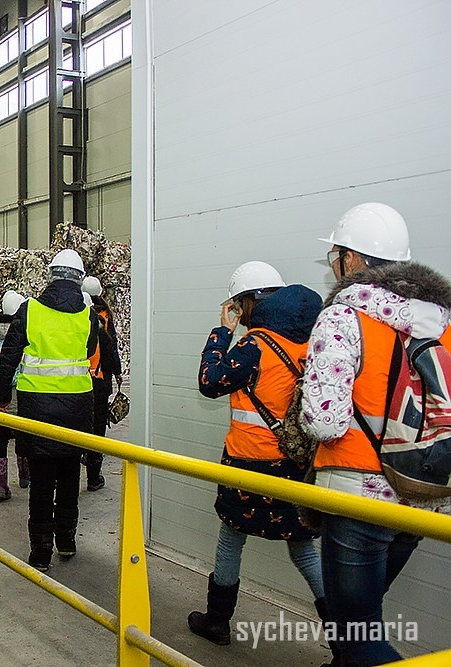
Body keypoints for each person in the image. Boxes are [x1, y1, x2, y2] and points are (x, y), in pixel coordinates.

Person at [302, 203, 451, 666]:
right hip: (425, 494)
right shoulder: (443, 323)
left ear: (352, 259)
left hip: (358, 494)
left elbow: (325, 422)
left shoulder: (343, 318)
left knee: (357, 635)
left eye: (335, 256)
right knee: (364, 617)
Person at [188, 261, 326, 646]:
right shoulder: (309, 343)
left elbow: (209, 382)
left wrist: (222, 331)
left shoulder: (255, 345)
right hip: (294, 467)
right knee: (304, 548)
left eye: (238, 305)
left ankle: (217, 620)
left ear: (248, 303)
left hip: (247, 464)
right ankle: (348, 641)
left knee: (231, 537)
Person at [0, 249, 97, 571]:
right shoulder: (87, 315)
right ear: (78, 280)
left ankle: (40, 551)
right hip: (77, 408)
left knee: (41, 482)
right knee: (69, 478)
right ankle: (66, 540)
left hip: (37, 409)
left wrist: (1, 397)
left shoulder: (30, 310)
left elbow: (9, 355)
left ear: (50, 275)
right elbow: (91, 349)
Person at [0, 290, 30, 501]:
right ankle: (24, 474)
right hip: (20, 395)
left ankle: (0, 485)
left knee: (1, 440)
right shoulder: (24, 329)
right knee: (23, 437)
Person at [81, 276, 122, 491]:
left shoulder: (74, 324)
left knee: (77, 428)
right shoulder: (103, 319)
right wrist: (117, 373)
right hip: (99, 383)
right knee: (97, 431)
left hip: (77, 384)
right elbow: (110, 349)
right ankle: (94, 477)